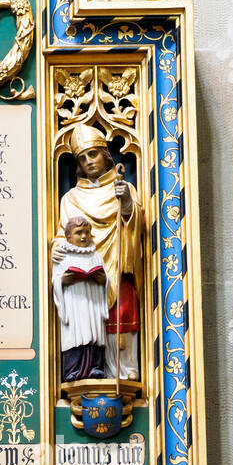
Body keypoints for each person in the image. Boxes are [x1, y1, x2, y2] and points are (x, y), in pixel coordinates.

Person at [53, 122, 142, 382]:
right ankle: (87, 372)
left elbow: (135, 228)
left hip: (114, 269)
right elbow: (61, 237)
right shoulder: (70, 198)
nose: (89, 161)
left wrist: (126, 202)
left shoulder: (123, 189)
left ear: (105, 155)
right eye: (83, 157)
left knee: (121, 317)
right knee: (84, 326)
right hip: (83, 285)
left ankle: (122, 375)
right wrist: (57, 249)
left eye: (93, 154)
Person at [51, 215, 108, 382]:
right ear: (68, 236)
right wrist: (62, 281)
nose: (83, 237)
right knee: (76, 333)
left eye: (87, 232)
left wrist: (103, 281)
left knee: (93, 332)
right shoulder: (62, 255)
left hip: (93, 302)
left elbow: (106, 279)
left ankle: (95, 368)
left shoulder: (95, 255)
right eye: (78, 233)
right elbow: (55, 279)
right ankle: (74, 369)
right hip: (74, 303)